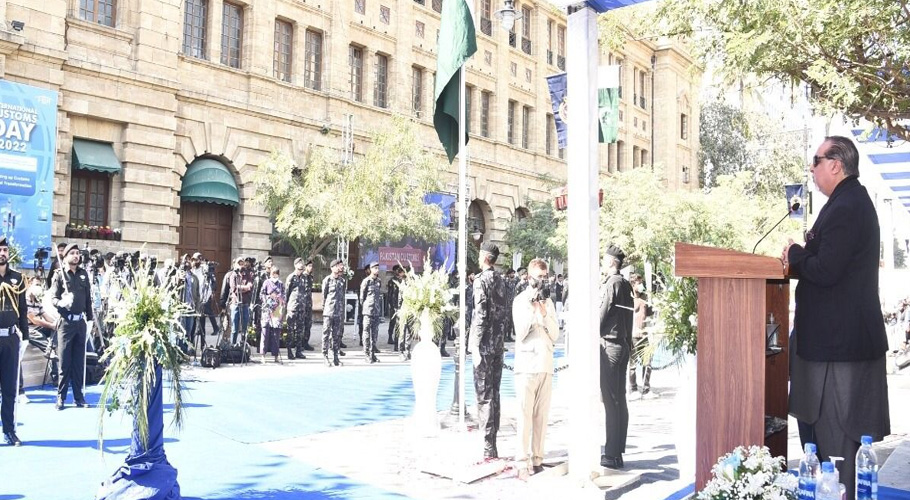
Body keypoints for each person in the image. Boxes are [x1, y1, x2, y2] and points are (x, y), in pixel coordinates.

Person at [782, 136, 890, 500]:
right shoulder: (845, 203)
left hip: (839, 350)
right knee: (824, 447)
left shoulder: (847, 206)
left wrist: (796, 253)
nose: (811, 169)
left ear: (836, 164)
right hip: (832, 344)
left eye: (816, 160)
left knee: (836, 448)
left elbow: (827, 269)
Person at [512, 258, 559, 476]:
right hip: (526, 366)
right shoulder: (520, 300)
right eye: (539, 277)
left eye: (545, 276)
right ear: (529, 277)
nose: (542, 281)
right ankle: (522, 460)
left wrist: (543, 313)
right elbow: (520, 333)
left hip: (545, 364)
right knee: (524, 416)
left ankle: (538, 458)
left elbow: (556, 333)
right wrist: (532, 311)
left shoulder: (548, 303)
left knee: (542, 416)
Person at [470, 242, 508, 459]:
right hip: (498, 344)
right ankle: (493, 440)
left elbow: (481, 314)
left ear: (485, 257)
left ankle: (488, 446)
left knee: (484, 396)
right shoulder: (501, 280)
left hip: (484, 345)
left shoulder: (480, 281)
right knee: (495, 393)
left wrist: (474, 343)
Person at [598, 244, 633, 469]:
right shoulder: (626, 283)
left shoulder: (613, 283)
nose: (602, 262)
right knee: (619, 400)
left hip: (611, 345)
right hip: (622, 345)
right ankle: (617, 450)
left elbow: (602, 313)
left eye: (604, 259)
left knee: (611, 401)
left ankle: (611, 453)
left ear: (612, 262)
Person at [50, 243, 93, 411]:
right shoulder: (59, 275)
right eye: (72, 253)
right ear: (65, 256)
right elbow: (53, 298)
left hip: (80, 323)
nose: (76, 256)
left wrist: (89, 319)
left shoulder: (83, 275)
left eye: (77, 253)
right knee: (64, 362)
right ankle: (61, 397)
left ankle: (78, 397)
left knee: (78, 362)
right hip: (66, 323)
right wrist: (61, 302)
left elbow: (87, 299)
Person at [0, 237, 28, 446]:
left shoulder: (17, 279)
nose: (2, 253)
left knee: (10, 388)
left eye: (4, 250)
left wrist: (25, 336)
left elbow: (23, 310)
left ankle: (9, 429)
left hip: (10, 338)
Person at [628, 273, 653, 399]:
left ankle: (646, 388)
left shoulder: (644, 298)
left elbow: (649, 313)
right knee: (632, 364)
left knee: (647, 362)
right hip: (632, 334)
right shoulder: (629, 298)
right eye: (638, 283)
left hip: (644, 334)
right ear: (633, 284)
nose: (641, 285)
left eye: (641, 282)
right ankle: (633, 389)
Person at [322, 259, 347, 367]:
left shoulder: (342, 281)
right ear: (332, 268)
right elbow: (324, 295)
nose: (339, 267)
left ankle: (336, 357)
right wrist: (325, 309)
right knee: (326, 334)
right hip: (329, 311)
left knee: (336, 335)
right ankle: (325, 356)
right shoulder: (327, 280)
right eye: (337, 266)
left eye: (340, 266)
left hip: (339, 311)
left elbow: (342, 295)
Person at [285, 258, 312, 358]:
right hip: (292, 307)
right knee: (290, 330)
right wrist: (286, 307)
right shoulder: (291, 277)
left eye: (302, 264)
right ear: (295, 265)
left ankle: (298, 350)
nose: (301, 265)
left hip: (302, 308)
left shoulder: (305, 278)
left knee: (300, 330)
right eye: (299, 264)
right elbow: (286, 293)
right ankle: (289, 351)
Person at [259, 267, 285, 362]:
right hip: (267, 309)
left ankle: (275, 355)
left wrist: (280, 299)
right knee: (265, 331)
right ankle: (263, 355)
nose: (274, 276)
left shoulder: (281, 284)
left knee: (276, 332)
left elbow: (284, 295)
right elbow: (261, 294)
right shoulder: (266, 283)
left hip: (277, 309)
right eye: (273, 274)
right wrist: (269, 296)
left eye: (276, 274)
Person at [227, 257, 253, 345]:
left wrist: (241, 287)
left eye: (242, 263)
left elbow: (250, 286)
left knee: (245, 328)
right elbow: (234, 288)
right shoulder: (233, 275)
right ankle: (233, 345)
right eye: (239, 263)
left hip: (245, 303)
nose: (241, 265)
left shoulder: (247, 274)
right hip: (235, 303)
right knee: (234, 328)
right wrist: (244, 288)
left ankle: (243, 345)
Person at [360, 261, 382, 363]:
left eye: (378, 268)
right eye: (375, 268)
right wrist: (366, 306)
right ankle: (367, 354)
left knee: (375, 334)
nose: (377, 270)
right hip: (368, 311)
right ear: (371, 269)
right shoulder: (366, 281)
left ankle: (373, 354)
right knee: (366, 333)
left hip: (376, 311)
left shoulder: (379, 281)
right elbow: (362, 298)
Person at [387, 265, 403, 350]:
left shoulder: (403, 281)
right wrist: (391, 304)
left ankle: (399, 343)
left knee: (399, 324)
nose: (398, 272)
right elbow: (390, 294)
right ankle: (390, 336)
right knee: (393, 321)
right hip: (394, 304)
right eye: (397, 270)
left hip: (401, 305)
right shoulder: (392, 281)